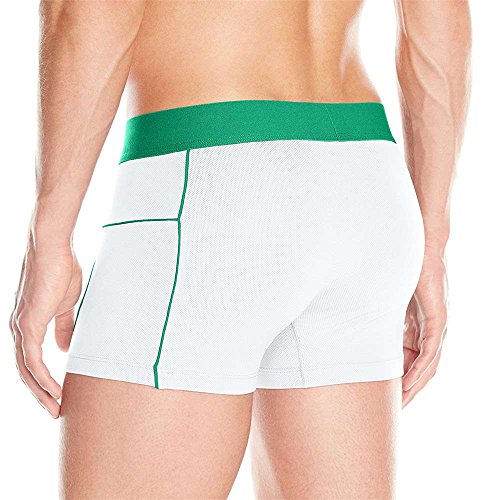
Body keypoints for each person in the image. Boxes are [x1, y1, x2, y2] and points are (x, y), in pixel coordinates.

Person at [10, 1, 471, 498]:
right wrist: (431, 241)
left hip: (209, 180)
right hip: (366, 182)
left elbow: (87, 10)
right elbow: (439, 14)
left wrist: (49, 238)